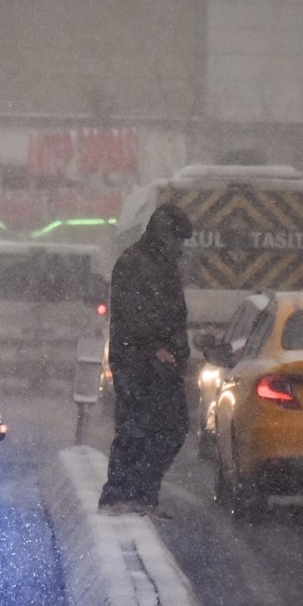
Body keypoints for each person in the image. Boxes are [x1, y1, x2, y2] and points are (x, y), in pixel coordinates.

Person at [98, 203, 193, 519]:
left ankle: (141, 495)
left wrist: (177, 352)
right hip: (137, 360)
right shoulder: (136, 263)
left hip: (159, 360)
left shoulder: (160, 264)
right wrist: (155, 347)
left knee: (166, 427)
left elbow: (170, 314)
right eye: (178, 239)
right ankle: (121, 496)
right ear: (164, 235)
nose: (181, 247)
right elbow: (132, 313)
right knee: (137, 428)